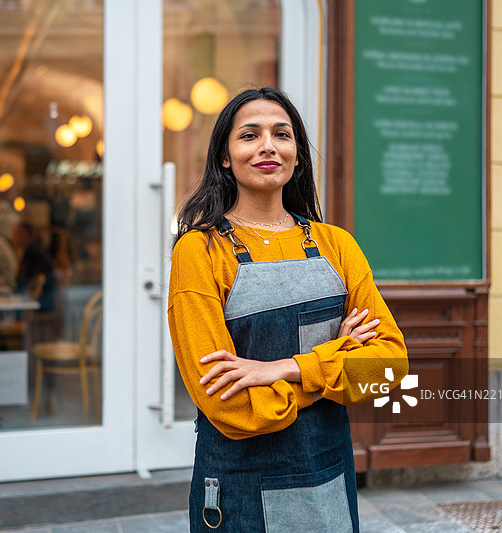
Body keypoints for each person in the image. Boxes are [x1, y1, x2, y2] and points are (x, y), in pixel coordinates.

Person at [168, 87, 408, 532]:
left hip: (328, 478)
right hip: (241, 489)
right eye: (249, 135)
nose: (267, 146)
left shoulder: (336, 244)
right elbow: (233, 405)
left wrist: (280, 369)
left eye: (282, 134)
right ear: (225, 156)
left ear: (296, 155)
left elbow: (389, 366)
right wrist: (335, 360)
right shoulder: (199, 251)